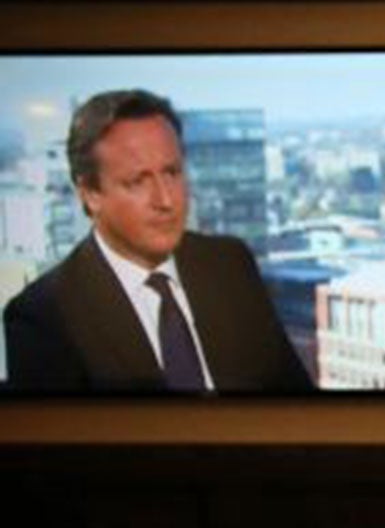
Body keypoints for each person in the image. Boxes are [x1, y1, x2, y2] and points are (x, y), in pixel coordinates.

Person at [4, 89, 311, 393]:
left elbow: (296, 405)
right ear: (90, 193)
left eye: (172, 172)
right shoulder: (44, 318)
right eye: (138, 181)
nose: (166, 200)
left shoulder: (229, 263)